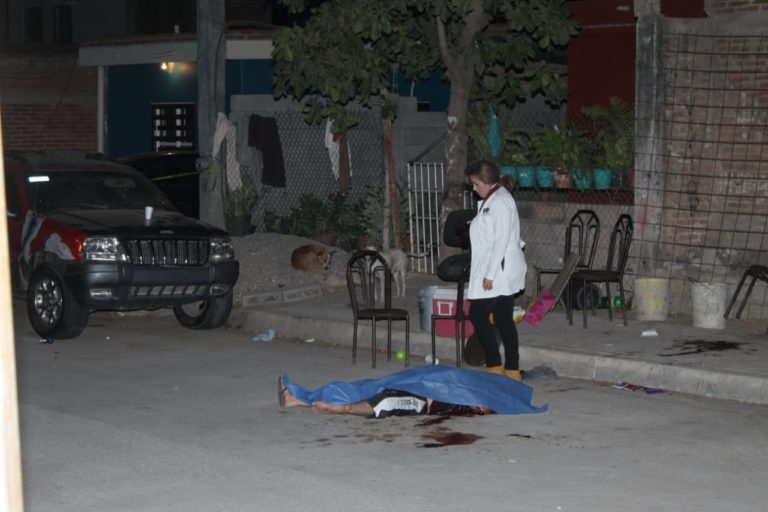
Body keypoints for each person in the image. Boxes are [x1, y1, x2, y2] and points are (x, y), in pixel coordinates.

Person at [277, 365, 547, 418]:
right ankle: (300, 398)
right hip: (424, 381)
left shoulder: (482, 403)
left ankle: (337, 407)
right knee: (370, 386)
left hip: (425, 399)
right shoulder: (485, 385)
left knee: (387, 400)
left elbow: (388, 404)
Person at [465, 160, 527, 381]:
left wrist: (489, 275)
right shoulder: (495, 198)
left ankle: (495, 365)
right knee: (502, 318)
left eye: (475, 184)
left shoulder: (499, 201)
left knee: (478, 314)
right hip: (499, 267)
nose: (474, 189)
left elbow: (500, 240)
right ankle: (512, 369)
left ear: (486, 181)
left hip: (499, 270)